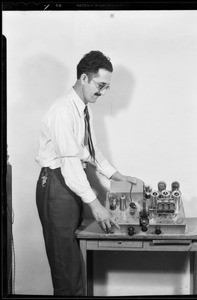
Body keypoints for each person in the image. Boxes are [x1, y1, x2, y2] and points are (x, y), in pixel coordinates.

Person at [35, 50, 142, 296]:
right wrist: (95, 205)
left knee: (75, 264)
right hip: (56, 184)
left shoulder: (82, 108)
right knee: (66, 269)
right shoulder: (63, 110)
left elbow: (87, 152)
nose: (103, 92)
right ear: (84, 78)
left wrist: (117, 175)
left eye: (107, 87)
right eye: (100, 85)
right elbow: (70, 164)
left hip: (70, 184)